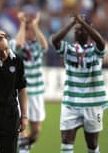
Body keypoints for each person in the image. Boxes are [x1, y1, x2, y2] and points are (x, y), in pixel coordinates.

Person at [50, 13, 108, 153]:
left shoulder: (95, 51)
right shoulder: (69, 49)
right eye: (76, 30)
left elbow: (100, 42)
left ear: (88, 31)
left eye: (81, 29)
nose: (77, 32)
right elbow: (54, 40)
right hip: (71, 103)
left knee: (92, 145)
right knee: (66, 143)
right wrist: (72, 24)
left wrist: (84, 24)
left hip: (93, 104)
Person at [14, 11, 48, 153]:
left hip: (37, 93)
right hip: (21, 92)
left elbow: (45, 46)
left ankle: (23, 146)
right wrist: (23, 24)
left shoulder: (36, 45)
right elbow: (18, 46)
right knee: (21, 126)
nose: (31, 33)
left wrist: (35, 25)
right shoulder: (15, 42)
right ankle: (22, 150)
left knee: (35, 132)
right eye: (29, 30)